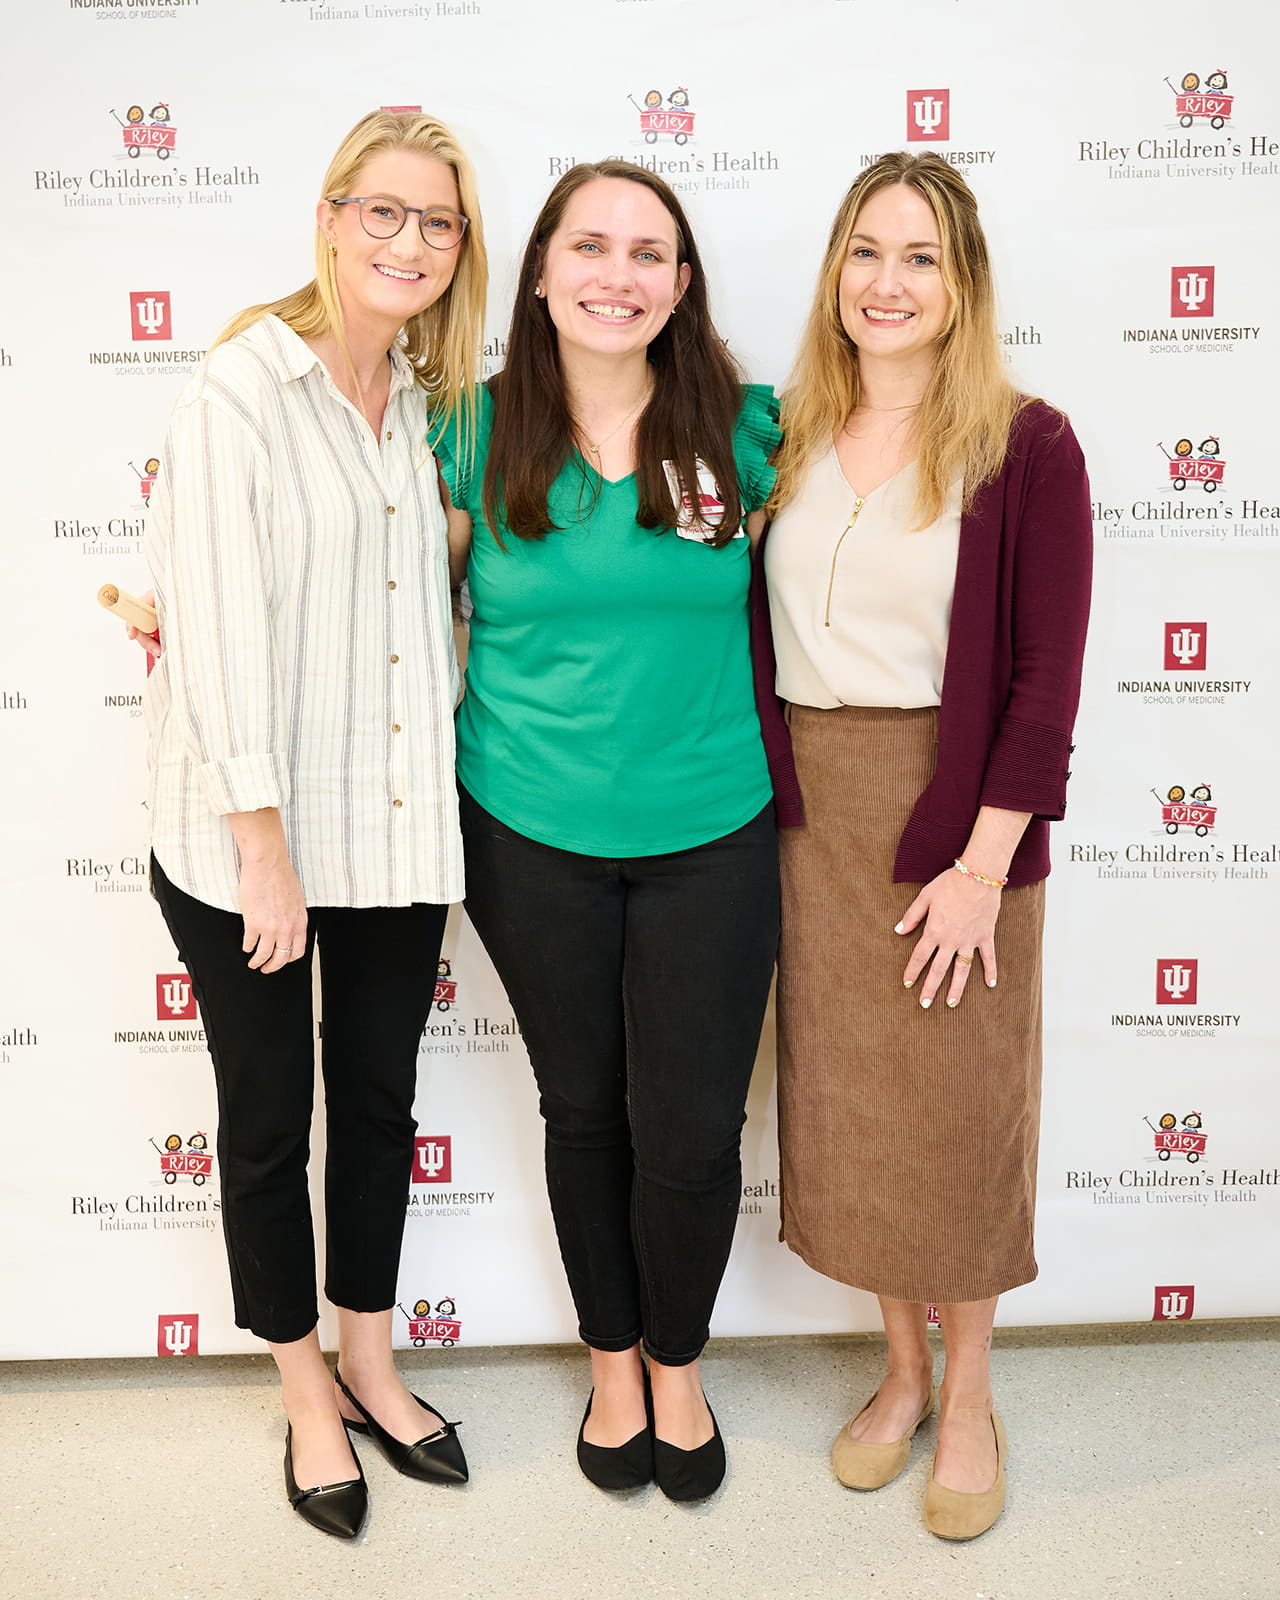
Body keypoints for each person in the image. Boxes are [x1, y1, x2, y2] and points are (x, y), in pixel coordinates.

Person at [138, 109, 487, 1538]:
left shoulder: (420, 399)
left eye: (440, 223)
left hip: (392, 826)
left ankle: (368, 1355)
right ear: (332, 217)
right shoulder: (240, 390)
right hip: (250, 836)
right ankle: (298, 1387)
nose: (410, 243)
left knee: (386, 1106)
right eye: (384, 212)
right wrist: (260, 851)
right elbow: (217, 638)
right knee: (272, 1119)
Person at [432, 160, 785, 1502]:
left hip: (716, 832)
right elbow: (365, 590)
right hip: (528, 832)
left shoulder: (749, 432)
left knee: (692, 1124)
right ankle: (614, 1361)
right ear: (536, 273)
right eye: (590, 246)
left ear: (682, 284)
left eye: (650, 253)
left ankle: (681, 1365)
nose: (617, 275)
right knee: (583, 1109)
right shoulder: (465, 432)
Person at [762, 151, 1091, 1540]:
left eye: (920, 260)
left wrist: (979, 863)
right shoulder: (778, 432)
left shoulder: (1027, 444)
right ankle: (899, 1376)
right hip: (809, 821)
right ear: (835, 272)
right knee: (852, 1121)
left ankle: (969, 1399)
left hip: (957, 820)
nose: (887, 284)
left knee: (955, 1119)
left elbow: (1043, 674)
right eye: (866, 253)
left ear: (962, 289)